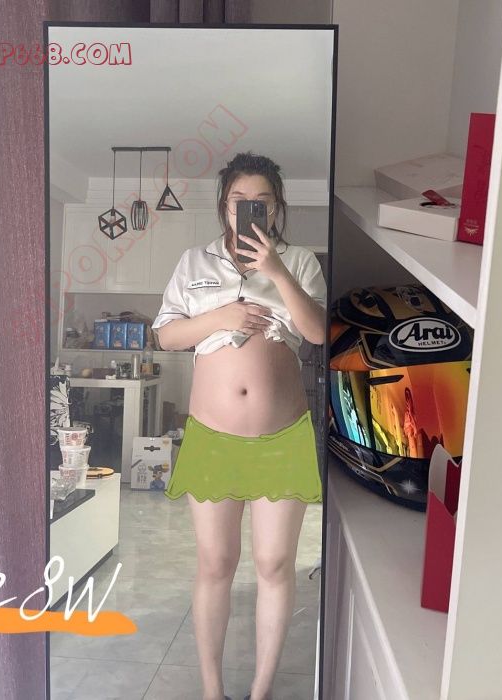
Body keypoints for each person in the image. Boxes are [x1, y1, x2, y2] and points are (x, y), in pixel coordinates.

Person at [151, 152, 328, 700]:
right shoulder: (193, 262)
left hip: (283, 437)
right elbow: (166, 335)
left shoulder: (299, 261)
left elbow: (318, 332)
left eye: (262, 201)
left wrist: (276, 271)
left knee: (275, 565)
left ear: (276, 207)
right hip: (213, 437)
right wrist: (221, 317)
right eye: (238, 200)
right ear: (224, 205)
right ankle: (213, 690)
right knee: (216, 563)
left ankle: (260, 691)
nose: (249, 209)